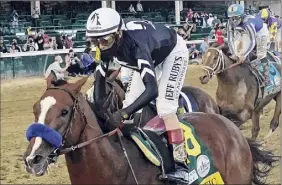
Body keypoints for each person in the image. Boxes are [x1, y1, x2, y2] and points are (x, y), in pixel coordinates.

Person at [86, 8, 189, 178]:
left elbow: (152, 90)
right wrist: (103, 110)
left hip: (172, 51)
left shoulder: (136, 46)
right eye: (94, 41)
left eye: (105, 40)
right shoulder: (102, 45)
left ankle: (181, 165)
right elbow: (99, 83)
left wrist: (123, 114)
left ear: (118, 35)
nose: (100, 46)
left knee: (165, 107)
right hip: (151, 53)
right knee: (130, 102)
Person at [226, 4, 270, 87]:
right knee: (238, 48)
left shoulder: (248, 22)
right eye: (232, 18)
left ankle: (267, 78)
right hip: (246, 31)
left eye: (236, 17)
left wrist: (244, 55)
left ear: (241, 16)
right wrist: (234, 53)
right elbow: (230, 39)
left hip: (261, 32)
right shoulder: (230, 22)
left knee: (261, 54)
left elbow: (252, 41)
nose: (234, 21)